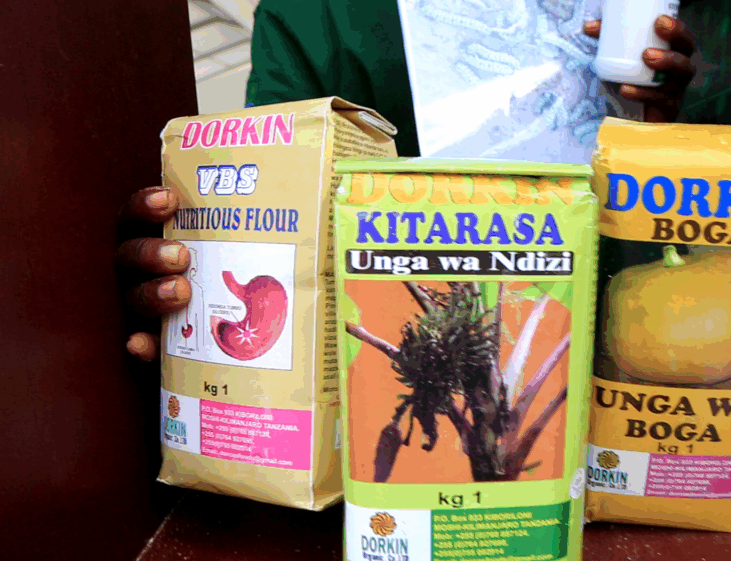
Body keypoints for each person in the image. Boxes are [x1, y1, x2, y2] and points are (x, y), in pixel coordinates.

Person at [119, 5, 697, 360]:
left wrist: (676, 126)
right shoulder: (318, 15)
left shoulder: (648, 18)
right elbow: (276, 216)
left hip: (624, 359)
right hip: (407, 357)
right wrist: (200, 305)